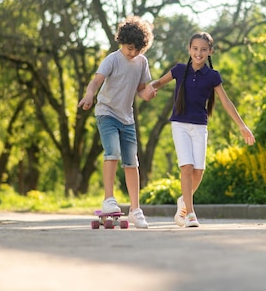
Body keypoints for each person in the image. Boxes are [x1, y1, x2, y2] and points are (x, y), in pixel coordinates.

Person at [149, 32, 255, 227]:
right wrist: (151, 87)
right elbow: (159, 82)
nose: (198, 53)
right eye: (195, 49)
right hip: (179, 124)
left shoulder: (213, 76)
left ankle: (184, 200)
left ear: (210, 52)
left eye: (203, 49)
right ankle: (190, 213)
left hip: (199, 127)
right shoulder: (180, 70)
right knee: (186, 167)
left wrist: (242, 126)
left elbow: (226, 101)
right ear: (189, 50)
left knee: (199, 171)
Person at [78, 16, 156, 229]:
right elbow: (96, 82)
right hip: (107, 113)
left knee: (132, 162)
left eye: (138, 50)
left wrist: (146, 94)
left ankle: (135, 209)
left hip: (127, 118)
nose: (133, 53)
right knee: (112, 151)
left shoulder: (142, 62)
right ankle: (108, 199)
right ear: (121, 42)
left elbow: (140, 89)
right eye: (130, 48)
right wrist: (89, 96)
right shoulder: (112, 59)